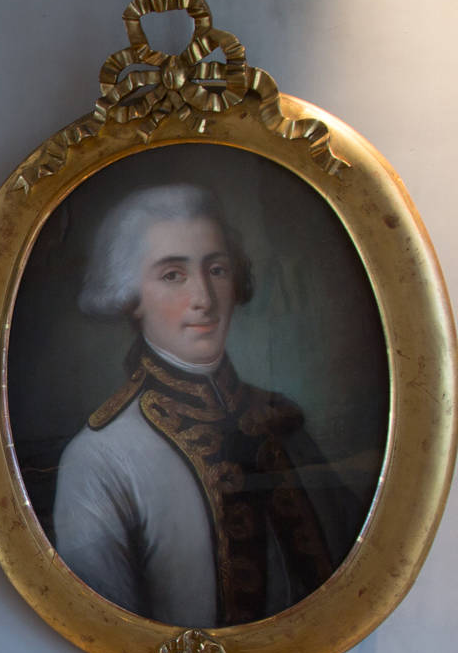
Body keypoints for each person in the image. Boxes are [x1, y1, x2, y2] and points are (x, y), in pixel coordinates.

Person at [50, 183, 347, 627]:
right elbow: (104, 631)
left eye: (217, 270)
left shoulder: (281, 422)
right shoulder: (100, 457)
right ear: (130, 296)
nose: (204, 299)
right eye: (173, 275)